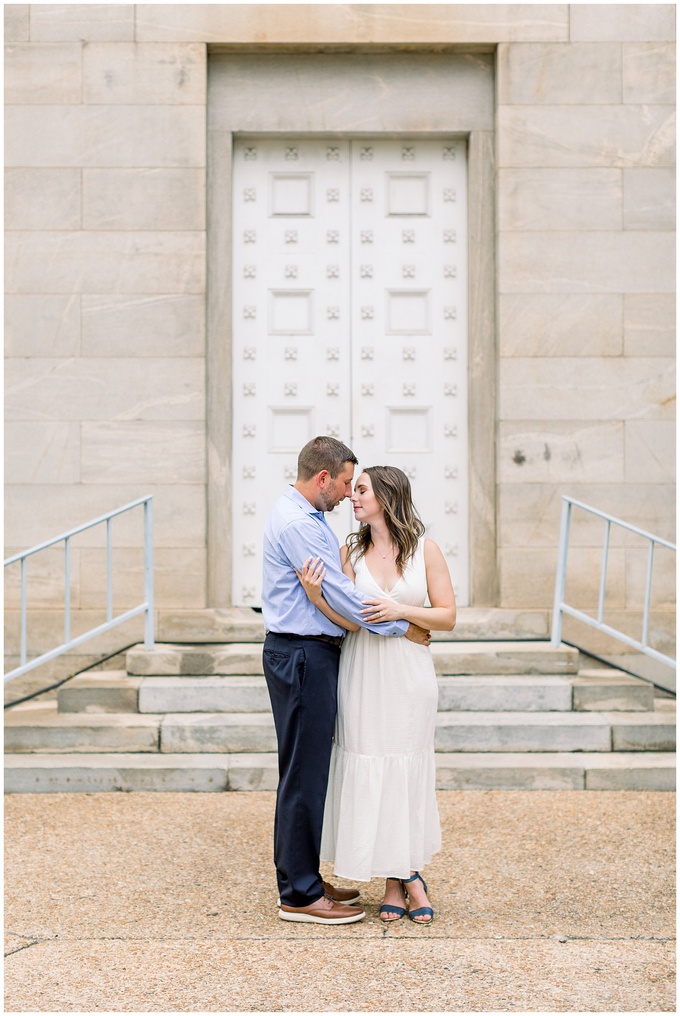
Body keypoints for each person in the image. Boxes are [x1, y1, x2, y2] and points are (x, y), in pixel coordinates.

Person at [261, 436, 431, 925]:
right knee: (303, 776)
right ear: (322, 478)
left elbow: (336, 603)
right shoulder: (301, 525)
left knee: (309, 772)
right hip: (302, 655)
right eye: (342, 485)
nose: (345, 497)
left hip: (309, 654)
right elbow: (343, 596)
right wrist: (407, 627)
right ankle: (298, 895)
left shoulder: (306, 519)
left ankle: (304, 878)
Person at [297, 465, 456, 924]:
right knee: (371, 763)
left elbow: (446, 617)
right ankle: (396, 879)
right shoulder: (351, 551)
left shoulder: (426, 550)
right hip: (363, 671)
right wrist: (317, 597)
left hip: (410, 676)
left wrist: (401, 610)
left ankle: (407, 875)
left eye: (362, 489)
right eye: (353, 488)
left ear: (387, 496)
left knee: (405, 770)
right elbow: (349, 619)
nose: (353, 496)